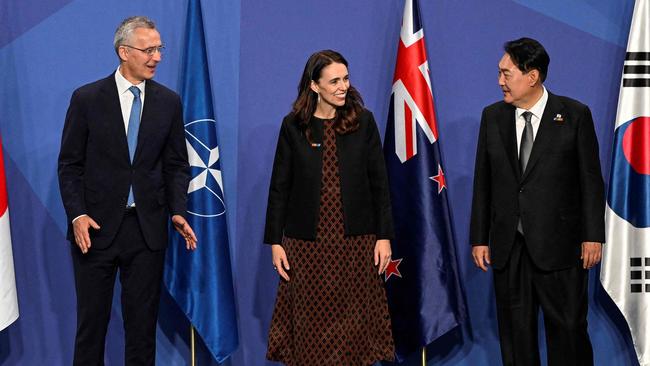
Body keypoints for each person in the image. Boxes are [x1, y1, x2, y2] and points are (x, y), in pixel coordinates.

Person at [58, 16, 197, 365]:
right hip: (95, 230)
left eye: (159, 49)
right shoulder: (87, 98)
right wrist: (77, 214)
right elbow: (69, 165)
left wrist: (177, 210)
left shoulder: (168, 102)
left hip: (146, 232)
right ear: (124, 52)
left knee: (142, 332)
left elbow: (177, 165)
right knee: (91, 329)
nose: (157, 57)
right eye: (148, 49)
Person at [470, 37, 605, 366]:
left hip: (560, 246)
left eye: (507, 73)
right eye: (500, 73)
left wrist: (593, 235)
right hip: (509, 246)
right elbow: (483, 181)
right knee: (516, 335)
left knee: (569, 330)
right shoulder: (493, 117)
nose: (500, 81)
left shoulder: (573, 115)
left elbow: (590, 181)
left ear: (533, 76)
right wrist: (479, 238)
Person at [264, 50, 395, 365]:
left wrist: (384, 236)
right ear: (314, 86)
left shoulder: (363, 122)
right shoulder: (294, 125)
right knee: (312, 334)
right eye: (334, 81)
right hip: (307, 247)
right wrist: (275, 242)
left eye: (346, 79)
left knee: (353, 335)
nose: (343, 87)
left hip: (356, 244)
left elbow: (380, 184)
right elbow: (280, 186)